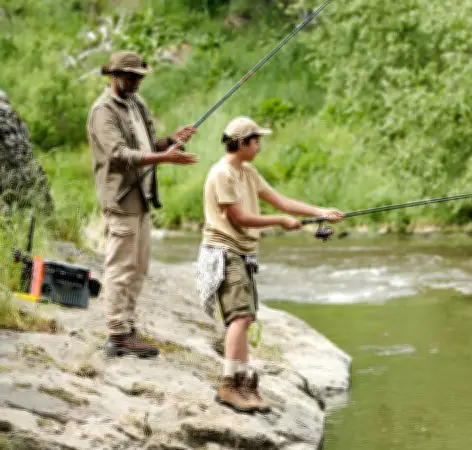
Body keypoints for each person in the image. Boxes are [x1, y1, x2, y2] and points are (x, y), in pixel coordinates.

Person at [195, 116, 343, 413]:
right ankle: (229, 385)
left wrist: (321, 212)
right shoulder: (222, 173)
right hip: (225, 251)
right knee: (239, 318)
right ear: (241, 143)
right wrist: (279, 222)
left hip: (243, 252)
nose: (260, 145)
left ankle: (243, 382)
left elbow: (282, 202)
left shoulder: (248, 172)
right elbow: (240, 218)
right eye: (256, 140)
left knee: (246, 317)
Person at [87, 50, 198, 358]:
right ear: (114, 76)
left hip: (142, 197)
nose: (136, 82)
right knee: (120, 267)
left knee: (139, 267)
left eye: (139, 77)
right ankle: (117, 334)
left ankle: (127, 327)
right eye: (130, 77)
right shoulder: (103, 111)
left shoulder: (137, 104)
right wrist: (165, 157)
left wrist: (170, 141)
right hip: (121, 199)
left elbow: (148, 147)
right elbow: (120, 156)